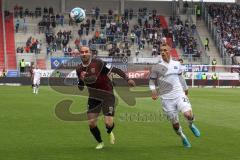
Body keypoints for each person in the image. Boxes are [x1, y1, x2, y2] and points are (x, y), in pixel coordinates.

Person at [76, 46, 135, 149]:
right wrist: (81, 79)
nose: (84, 54)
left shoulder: (98, 63)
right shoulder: (79, 69)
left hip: (107, 94)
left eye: (86, 52)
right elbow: (80, 88)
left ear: (89, 53)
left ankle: (109, 131)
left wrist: (127, 79)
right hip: (93, 97)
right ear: (79, 54)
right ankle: (100, 142)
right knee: (91, 123)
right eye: (82, 52)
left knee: (108, 123)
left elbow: (115, 69)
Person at [149, 44, 200, 148]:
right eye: (161, 51)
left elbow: (181, 77)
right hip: (166, 99)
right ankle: (182, 136)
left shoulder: (177, 64)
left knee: (188, 115)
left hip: (178, 94)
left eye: (165, 50)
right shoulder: (156, 67)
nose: (163, 52)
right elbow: (151, 81)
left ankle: (191, 125)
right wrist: (153, 91)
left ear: (170, 51)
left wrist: (185, 88)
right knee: (175, 124)